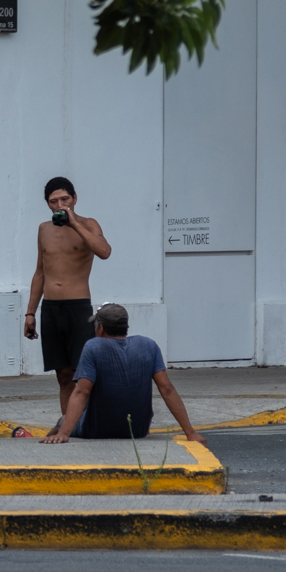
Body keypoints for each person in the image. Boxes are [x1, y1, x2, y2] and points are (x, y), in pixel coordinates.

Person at [38, 303, 206, 445]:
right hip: (138, 430)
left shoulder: (94, 346)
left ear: (100, 328)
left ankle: (53, 437)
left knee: (62, 420)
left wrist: (64, 433)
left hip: (98, 430)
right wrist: (190, 433)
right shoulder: (149, 345)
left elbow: (82, 392)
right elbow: (167, 388)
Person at [23, 176, 111, 415]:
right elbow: (40, 272)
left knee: (81, 373)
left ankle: (85, 420)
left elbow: (104, 251)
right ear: (48, 204)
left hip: (78, 306)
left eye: (64, 199)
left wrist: (75, 224)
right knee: (62, 374)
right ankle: (67, 424)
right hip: (51, 308)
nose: (60, 205)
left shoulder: (89, 224)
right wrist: (30, 312)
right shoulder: (43, 229)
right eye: (54, 201)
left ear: (74, 199)